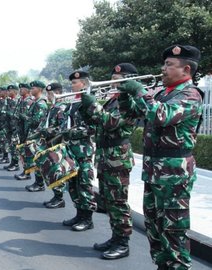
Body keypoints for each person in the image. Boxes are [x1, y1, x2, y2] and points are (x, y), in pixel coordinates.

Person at [118, 45, 203, 270]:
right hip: (154, 172)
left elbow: (160, 116)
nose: (162, 69)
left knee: (173, 230)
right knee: (154, 227)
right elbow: (130, 115)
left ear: (186, 69)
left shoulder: (190, 94)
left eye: (169, 65)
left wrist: (138, 90)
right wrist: (125, 96)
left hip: (175, 174)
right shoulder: (161, 93)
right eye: (164, 64)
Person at [79, 63, 139, 259]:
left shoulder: (130, 102)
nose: (115, 83)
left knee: (118, 202)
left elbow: (112, 123)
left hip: (118, 157)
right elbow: (96, 123)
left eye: (119, 80)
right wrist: (85, 108)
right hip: (106, 155)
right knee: (108, 201)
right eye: (113, 79)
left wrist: (93, 105)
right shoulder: (112, 100)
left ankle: (123, 243)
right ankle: (115, 237)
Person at [61, 70, 97, 232]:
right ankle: (79, 214)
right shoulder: (73, 102)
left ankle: (87, 218)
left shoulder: (89, 102)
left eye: (75, 83)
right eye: (72, 83)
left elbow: (93, 127)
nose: (72, 85)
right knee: (73, 184)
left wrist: (72, 132)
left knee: (84, 184)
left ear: (84, 83)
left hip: (83, 151)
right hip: (70, 149)